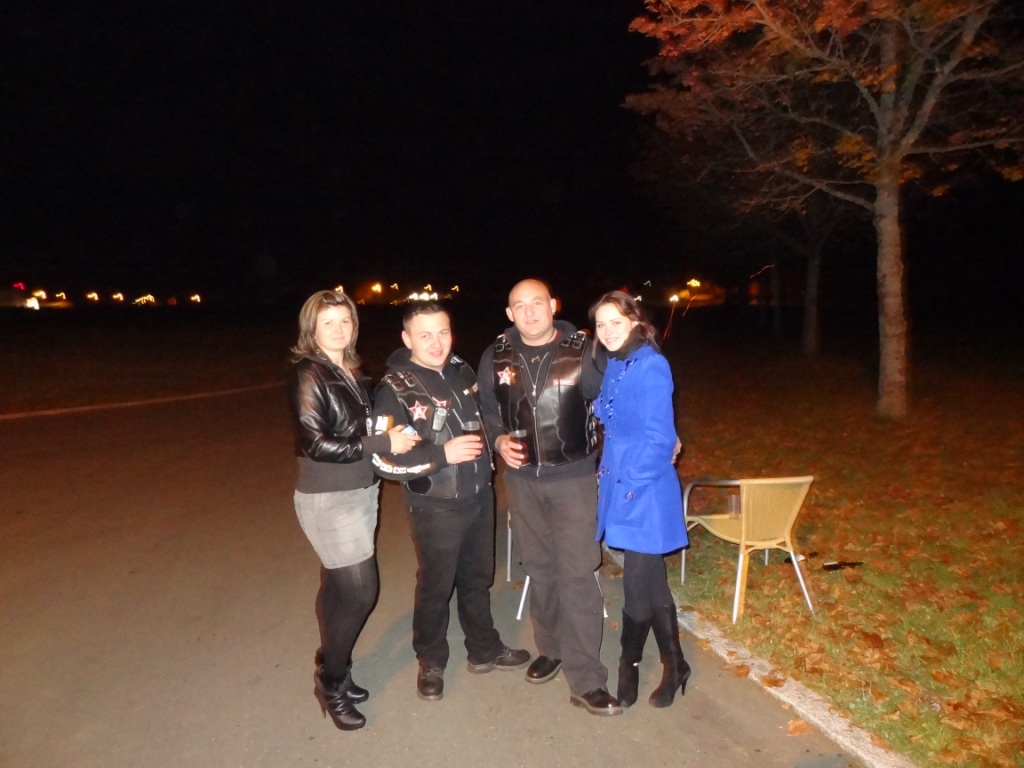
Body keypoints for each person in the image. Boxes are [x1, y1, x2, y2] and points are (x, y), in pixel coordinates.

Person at [371, 301, 530, 701]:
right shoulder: (394, 388)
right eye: (425, 335)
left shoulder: (460, 369)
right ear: (407, 338)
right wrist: (443, 454)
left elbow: (484, 416)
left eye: (443, 331)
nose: (437, 342)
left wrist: (498, 440)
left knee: (477, 578)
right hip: (435, 505)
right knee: (435, 587)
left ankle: (484, 648)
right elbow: (382, 460)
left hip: (479, 495)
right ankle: (431, 660)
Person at [478, 278, 621, 716]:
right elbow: (486, 409)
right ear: (509, 313)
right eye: (519, 305)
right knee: (540, 570)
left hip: (573, 479)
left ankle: (587, 679)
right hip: (523, 482)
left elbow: (618, 398)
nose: (529, 311)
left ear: (553, 305)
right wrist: (497, 439)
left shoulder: (584, 350)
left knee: (576, 574)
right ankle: (552, 649)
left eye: (537, 303)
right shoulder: (496, 354)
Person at [287, 290, 420, 731]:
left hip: (362, 491)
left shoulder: (354, 372)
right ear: (312, 328)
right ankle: (331, 680)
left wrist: (393, 431)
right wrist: (384, 442)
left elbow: (364, 427)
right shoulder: (309, 373)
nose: (339, 329)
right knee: (362, 591)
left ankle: (333, 661)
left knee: (338, 584)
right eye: (328, 322)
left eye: (345, 320)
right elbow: (316, 443)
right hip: (329, 498)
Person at [589, 290, 690, 708]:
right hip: (621, 480)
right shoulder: (616, 362)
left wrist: (630, 486)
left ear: (634, 321)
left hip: (645, 488)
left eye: (616, 322)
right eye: (601, 324)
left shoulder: (651, 365)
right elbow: (607, 411)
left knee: (636, 580)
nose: (608, 331)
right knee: (651, 579)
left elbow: (661, 439)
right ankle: (676, 664)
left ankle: (627, 665)